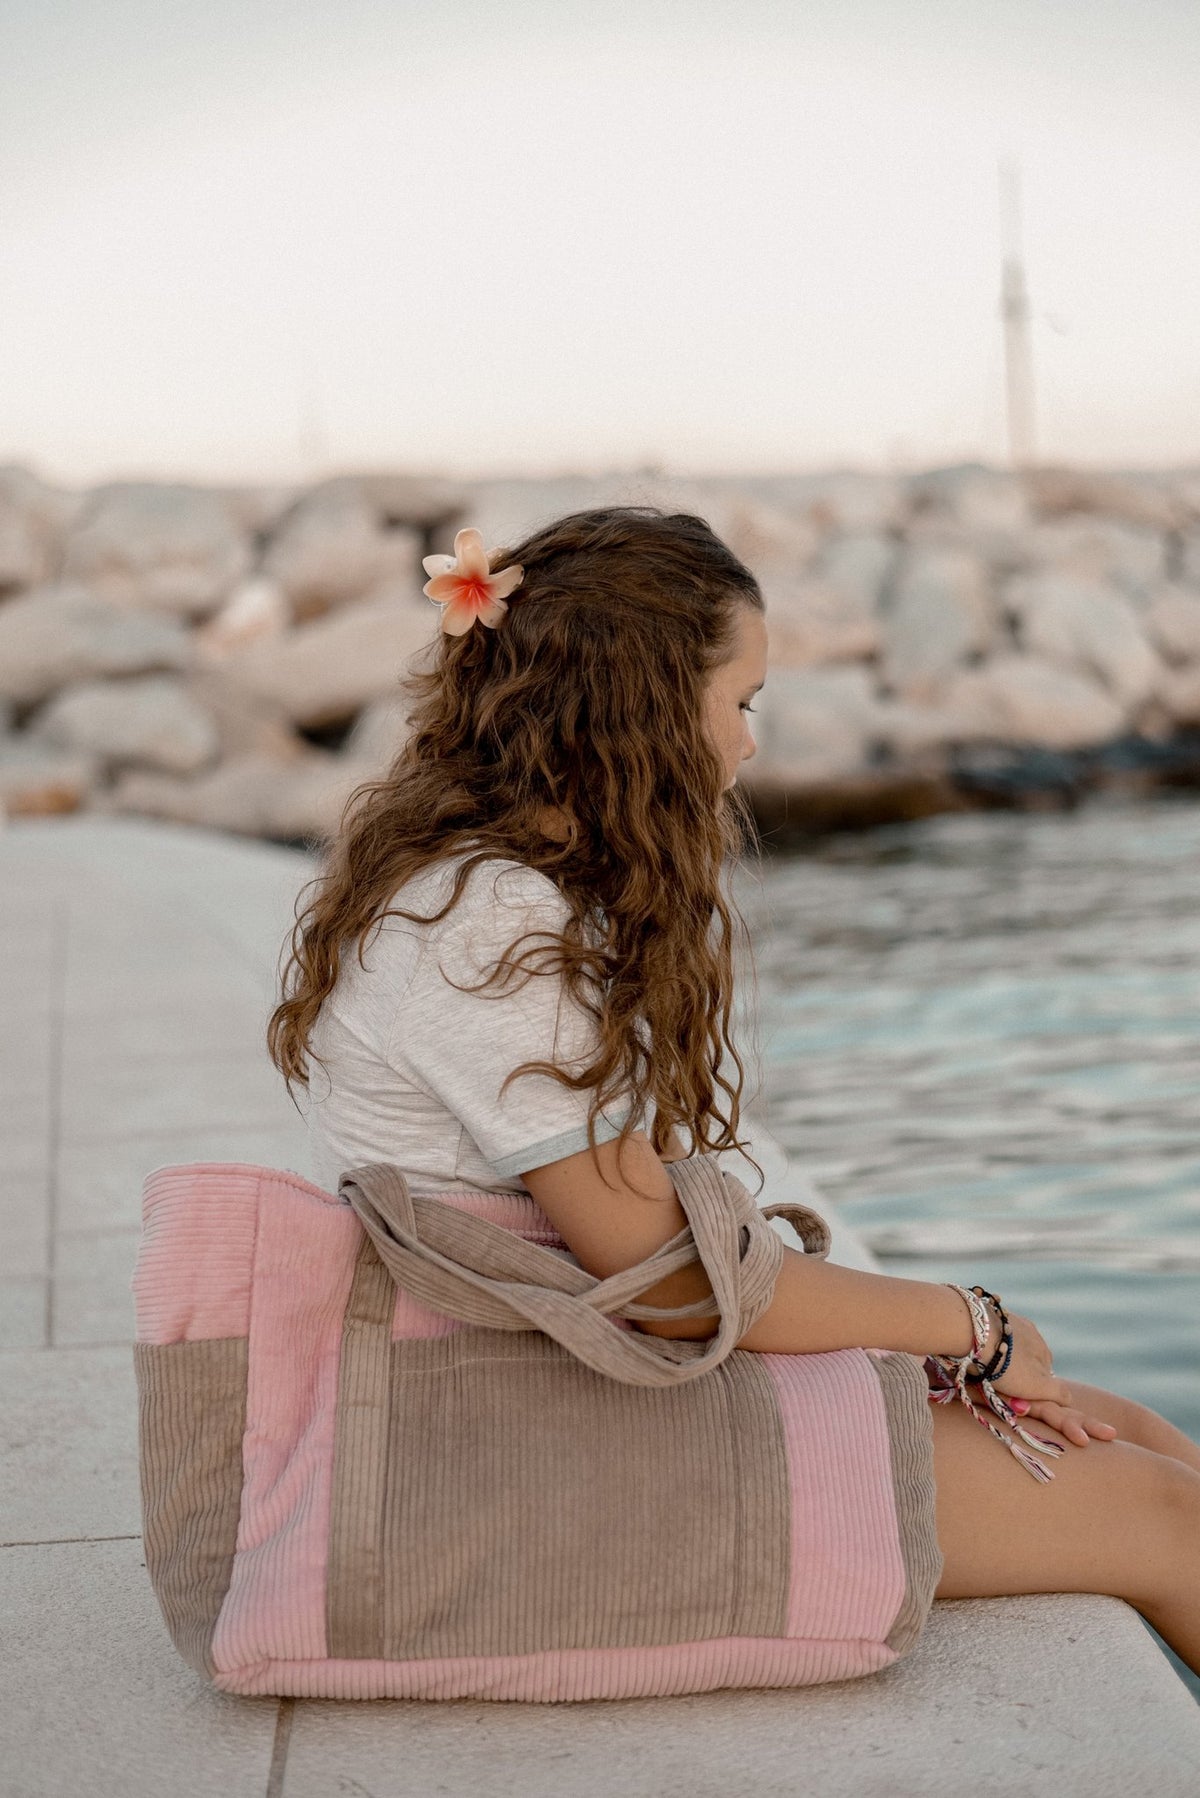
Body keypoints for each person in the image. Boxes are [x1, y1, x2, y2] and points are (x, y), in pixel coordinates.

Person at [268, 505, 1200, 1680]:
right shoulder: (493, 922)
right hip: (530, 1445)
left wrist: (936, 1348)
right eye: (742, 702)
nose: (750, 746)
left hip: (569, 1379)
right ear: (648, 709)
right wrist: (974, 1323)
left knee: (1143, 1435)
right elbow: (674, 1286)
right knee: (1167, 1518)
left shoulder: (481, 884)